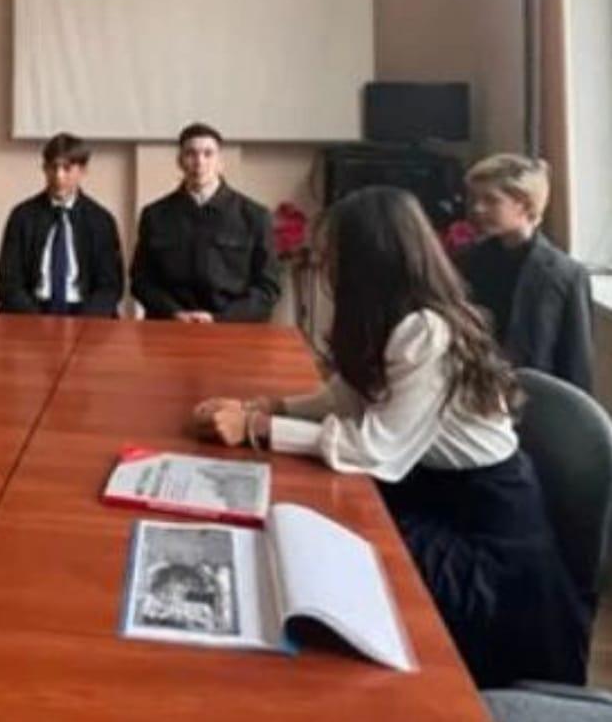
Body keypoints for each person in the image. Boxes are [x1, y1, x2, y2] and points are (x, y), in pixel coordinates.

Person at [192, 187, 589, 689]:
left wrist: (259, 429)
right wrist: (268, 407)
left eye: (336, 256)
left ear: (370, 259)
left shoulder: (427, 331)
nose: (327, 268)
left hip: (484, 540)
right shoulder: (394, 319)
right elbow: (346, 396)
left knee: (341, 561)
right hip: (434, 495)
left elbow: (373, 450)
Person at [458, 153, 593, 391]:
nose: (477, 209)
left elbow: (576, 360)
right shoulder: (468, 261)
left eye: (491, 200)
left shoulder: (565, 273)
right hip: (477, 390)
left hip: (536, 396)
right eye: (474, 199)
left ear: (526, 205)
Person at [131, 122, 280, 322]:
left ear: (220, 162)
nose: (199, 162)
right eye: (190, 154)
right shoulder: (155, 215)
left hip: (233, 328)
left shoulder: (255, 216)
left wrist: (219, 318)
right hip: (170, 325)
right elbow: (141, 280)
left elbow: (268, 287)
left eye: (208, 154)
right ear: (180, 161)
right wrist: (174, 313)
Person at [0, 133, 124, 316]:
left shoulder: (101, 220)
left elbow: (110, 287)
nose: (58, 176)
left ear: (83, 171)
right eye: (52, 168)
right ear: (44, 169)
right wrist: (37, 321)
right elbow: (8, 283)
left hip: (84, 313)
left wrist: (82, 323)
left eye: (67, 168)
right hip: (33, 311)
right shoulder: (22, 216)